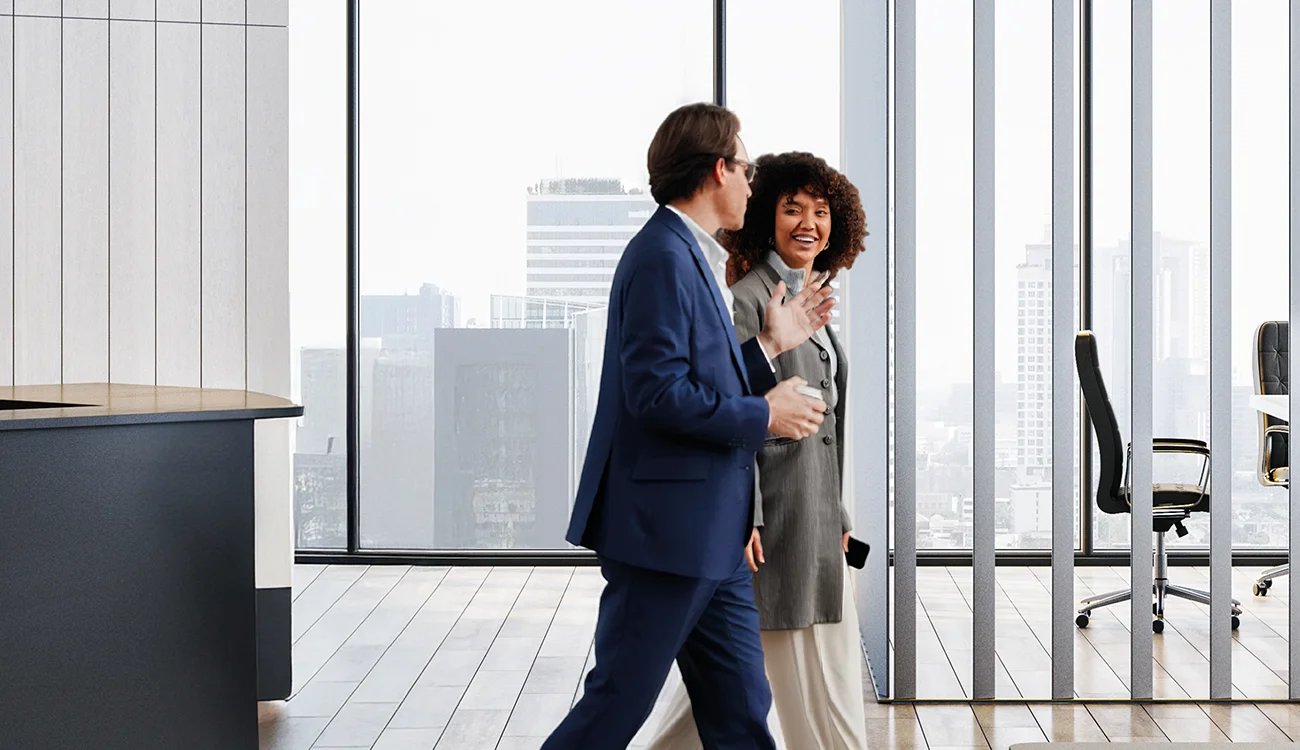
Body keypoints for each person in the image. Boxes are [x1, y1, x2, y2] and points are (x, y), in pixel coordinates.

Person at [540, 106, 837, 750]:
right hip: (666, 535)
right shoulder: (661, 258)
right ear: (717, 170)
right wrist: (767, 413)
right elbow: (657, 396)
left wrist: (764, 346)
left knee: (739, 711)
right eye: (747, 168)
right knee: (617, 704)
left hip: (713, 534)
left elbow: (698, 377)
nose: (752, 184)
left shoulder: (693, 256)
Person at [644, 151, 870, 750]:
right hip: (775, 523)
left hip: (814, 519)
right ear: (765, 217)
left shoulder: (812, 298)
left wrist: (840, 516)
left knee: (721, 695)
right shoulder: (748, 300)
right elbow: (727, 414)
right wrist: (750, 518)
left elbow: (826, 425)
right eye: (792, 208)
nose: (808, 223)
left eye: (820, 212)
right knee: (816, 694)